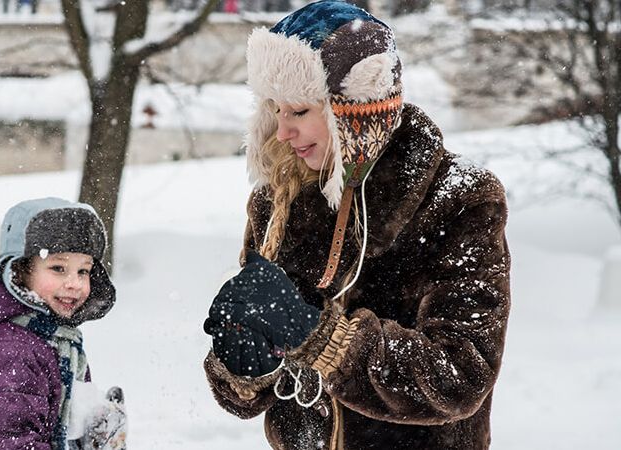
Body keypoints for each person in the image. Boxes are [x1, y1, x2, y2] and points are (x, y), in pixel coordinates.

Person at [202, 1, 511, 449]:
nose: (283, 131)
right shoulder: (280, 198)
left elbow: (460, 376)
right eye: (277, 109)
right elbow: (250, 399)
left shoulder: (459, 200)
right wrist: (243, 364)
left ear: (354, 112)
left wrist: (323, 338)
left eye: (301, 111)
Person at [0, 197, 125, 450]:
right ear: (20, 272)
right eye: (58, 268)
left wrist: (92, 429)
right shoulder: (12, 351)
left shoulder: (60, 341)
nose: (74, 283)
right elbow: (12, 440)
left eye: (83, 271)